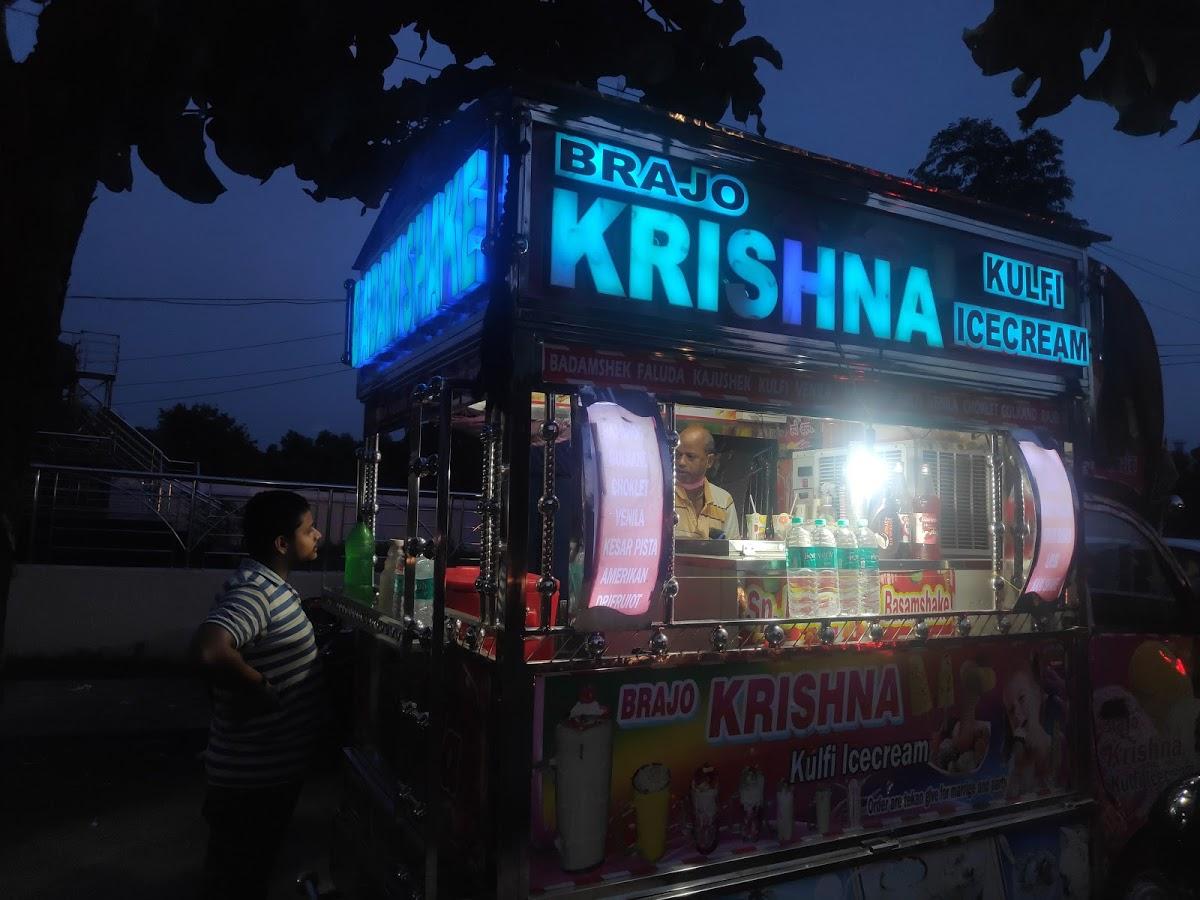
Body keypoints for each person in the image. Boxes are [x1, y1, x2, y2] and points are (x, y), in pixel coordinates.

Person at [192, 490, 327, 899]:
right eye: (308, 529)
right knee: (236, 881)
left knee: (248, 874)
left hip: (266, 774)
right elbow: (210, 649)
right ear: (282, 543)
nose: (318, 535)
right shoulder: (255, 591)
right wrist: (258, 686)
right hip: (250, 783)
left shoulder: (270, 586)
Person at [674, 424, 740, 540]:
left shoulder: (724, 501)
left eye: (690, 456)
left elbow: (731, 548)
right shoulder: (662, 497)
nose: (681, 462)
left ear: (709, 461)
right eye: (678, 455)